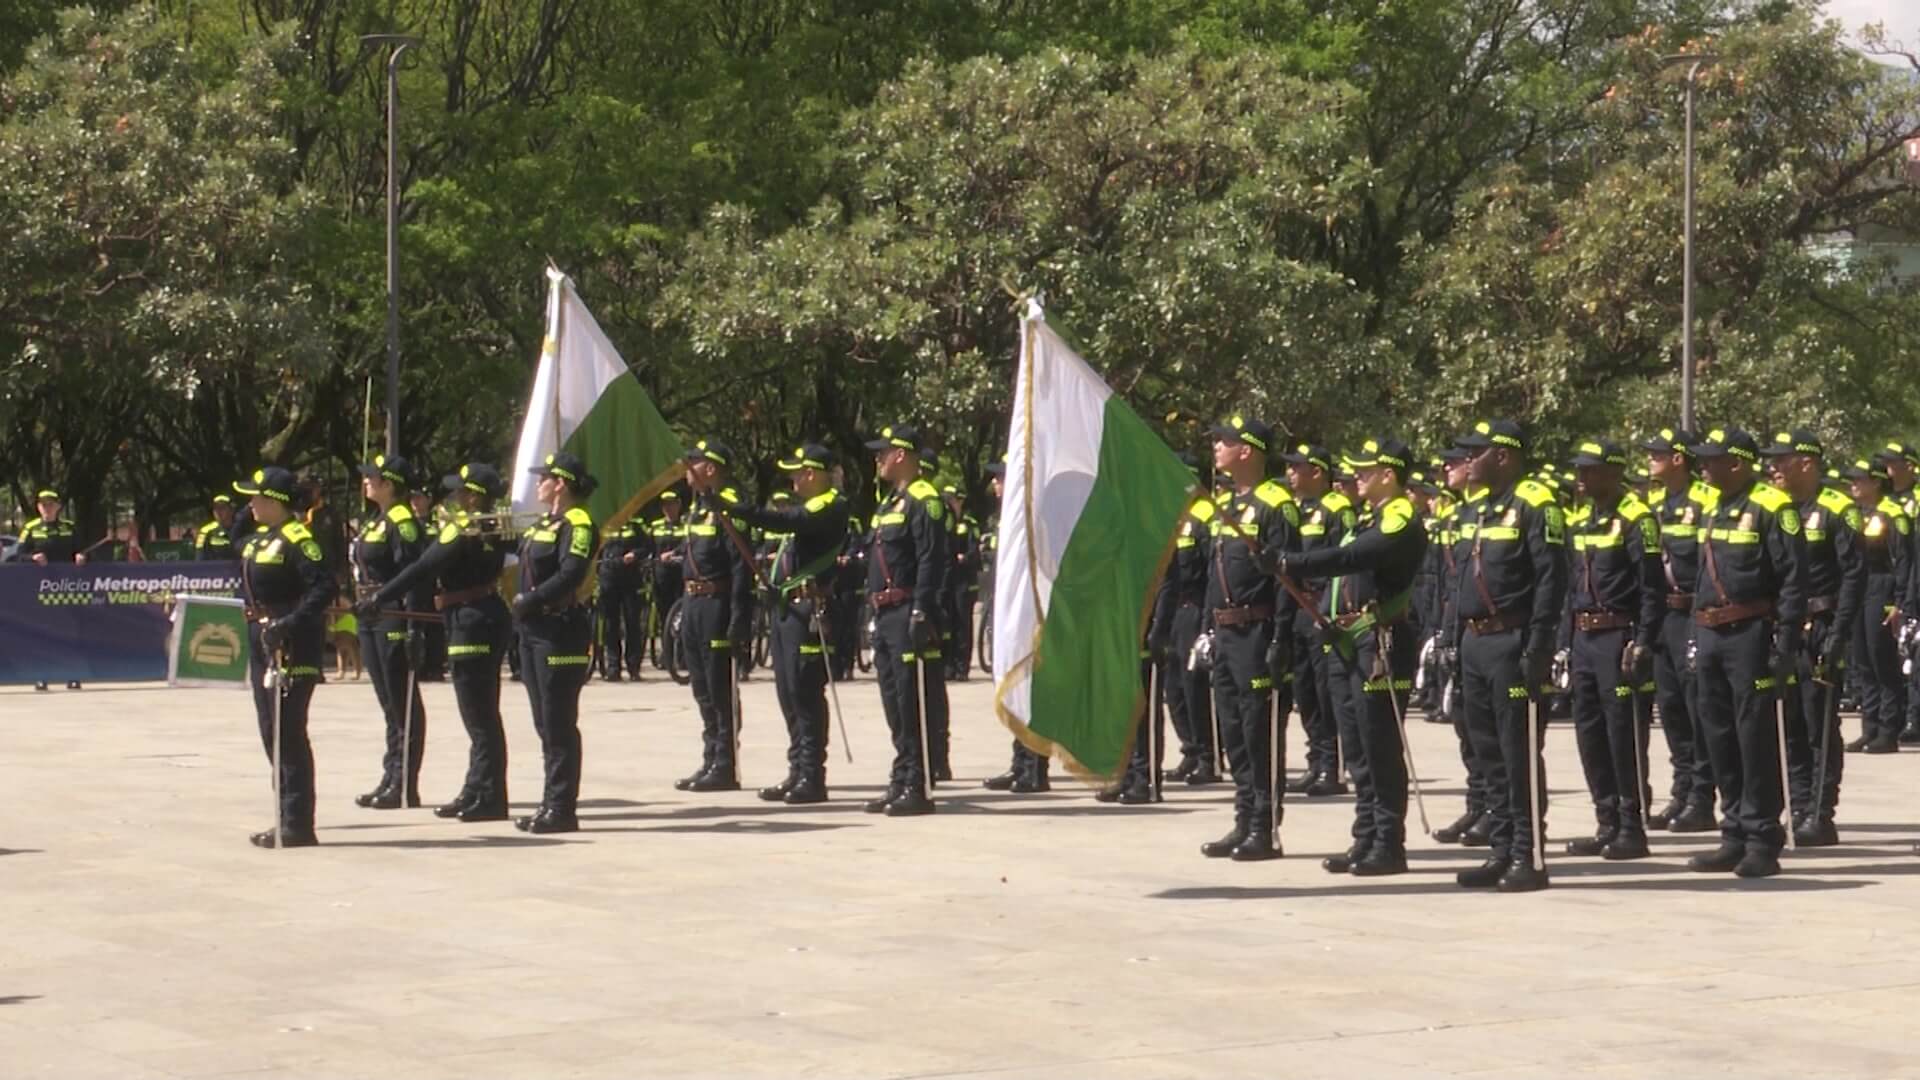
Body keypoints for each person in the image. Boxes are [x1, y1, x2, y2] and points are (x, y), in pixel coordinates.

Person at [1278, 438, 1428, 876]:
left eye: (1366, 469)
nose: (1356, 476)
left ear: (1389, 474)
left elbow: (1353, 557)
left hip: (1380, 642)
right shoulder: (1368, 517)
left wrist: (1293, 562)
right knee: (1358, 748)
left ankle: (1388, 842)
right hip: (1347, 641)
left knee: (1379, 744)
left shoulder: (1399, 518)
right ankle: (1365, 837)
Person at [1444, 419, 1566, 893]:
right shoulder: (1484, 509)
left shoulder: (1536, 503)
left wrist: (1539, 647)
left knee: (1518, 753)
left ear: (1504, 455)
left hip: (1513, 642)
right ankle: (1501, 848)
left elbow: (1551, 581)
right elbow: (1464, 583)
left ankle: (1527, 854)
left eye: (1477, 452)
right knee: (1486, 752)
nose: (1467, 461)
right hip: (1476, 643)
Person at [358, 464, 513, 822]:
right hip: (477, 614)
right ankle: (477, 788)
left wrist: (381, 597)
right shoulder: (492, 527)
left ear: (472, 495)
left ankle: (488, 794)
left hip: (470, 619)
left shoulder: (462, 528)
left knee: (478, 714)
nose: (453, 496)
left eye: (459, 490)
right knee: (481, 713)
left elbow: (421, 569)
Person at [1686, 428, 1805, 879]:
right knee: (1718, 736)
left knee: (1754, 738)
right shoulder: (1715, 507)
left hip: (1751, 634)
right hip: (1712, 634)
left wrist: (1786, 643)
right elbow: (1703, 576)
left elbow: (1793, 581)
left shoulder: (1774, 507)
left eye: (1712, 460)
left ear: (1737, 464)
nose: (1704, 466)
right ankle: (1732, 831)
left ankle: (1761, 839)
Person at [1195, 414, 1300, 863]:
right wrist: (1206, 628)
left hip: (1258, 631)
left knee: (1260, 731)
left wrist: (1281, 637)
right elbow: (1212, 576)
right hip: (1225, 631)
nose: (1216, 446)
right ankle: (1243, 818)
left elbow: (1287, 578)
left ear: (1248, 450)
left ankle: (1264, 826)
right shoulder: (1228, 505)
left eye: (1225, 441)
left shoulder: (1276, 504)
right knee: (1233, 731)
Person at [723, 443, 853, 804]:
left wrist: (736, 510)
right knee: (788, 692)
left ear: (813, 473)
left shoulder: (830, 504)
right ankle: (797, 768)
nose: (794, 479)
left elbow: (787, 521)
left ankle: (813, 774)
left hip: (811, 610)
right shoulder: (809, 506)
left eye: (798, 472)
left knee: (805, 691)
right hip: (788, 610)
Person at [1560, 440, 1662, 862]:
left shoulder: (1638, 519)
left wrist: (1644, 643)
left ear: (1614, 472)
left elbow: (1652, 590)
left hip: (1619, 636)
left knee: (1623, 734)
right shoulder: (1582, 519)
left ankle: (1631, 825)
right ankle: (1605, 820)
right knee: (1589, 732)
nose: (1582, 478)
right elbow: (1571, 586)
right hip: (1584, 638)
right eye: (1580, 470)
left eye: (1591, 470)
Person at [1760, 430, 1862, 848]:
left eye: (1781, 460)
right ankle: (1798, 804)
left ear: (1806, 462)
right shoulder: (1777, 508)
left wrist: (1839, 633)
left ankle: (1820, 812)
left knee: (1819, 721)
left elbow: (1855, 575)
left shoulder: (1839, 509)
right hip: (1785, 627)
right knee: (1790, 723)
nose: (1773, 468)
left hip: (1822, 624)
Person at [235, 467, 334, 848]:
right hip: (264, 641)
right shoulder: (264, 539)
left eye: (258, 498)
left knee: (288, 731)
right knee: (270, 729)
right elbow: (234, 538)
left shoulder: (298, 538)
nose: (250, 504)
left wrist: (290, 623)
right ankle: (283, 815)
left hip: (293, 644)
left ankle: (298, 822)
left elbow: (324, 586)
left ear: (276, 502)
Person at [511, 452, 600, 833]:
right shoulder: (545, 523)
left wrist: (532, 600)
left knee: (559, 720)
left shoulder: (578, 524)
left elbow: (571, 573)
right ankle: (549, 801)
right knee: (543, 721)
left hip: (560, 630)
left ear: (560, 483)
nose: (538, 483)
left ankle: (562, 808)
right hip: (534, 631)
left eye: (544, 477)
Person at [862, 424, 947, 816]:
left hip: (907, 609)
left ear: (902, 454)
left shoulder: (924, 499)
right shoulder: (888, 502)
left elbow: (931, 560)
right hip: (885, 612)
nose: (878, 459)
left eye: (884, 452)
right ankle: (902, 775)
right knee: (893, 700)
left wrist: (921, 611)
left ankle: (920, 784)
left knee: (913, 700)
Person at [1639, 429, 1718, 831]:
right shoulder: (1653, 503)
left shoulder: (1706, 500)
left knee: (1697, 705)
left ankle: (1702, 797)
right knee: (1670, 707)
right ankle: (1682, 790)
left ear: (1679, 459)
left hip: (1693, 612)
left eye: (1659, 453)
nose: (1651, 458)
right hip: (1664, 615)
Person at [348, 454, 430, 810]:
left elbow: (415, 575)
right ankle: (390, 773)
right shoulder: (376, 520)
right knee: (387, 702)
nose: (367, 481)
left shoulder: (403, 522)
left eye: (374, 477)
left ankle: (404, 782)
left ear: (390, 484)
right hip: (370, 614)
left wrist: (414, 624)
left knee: (402, 702)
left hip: (393, 614)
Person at [1279, 443, 1357, 797]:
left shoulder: (1337, 509)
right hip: (1298, 608)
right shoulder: (1295, 509)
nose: (1291, 473)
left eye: (1298, 467)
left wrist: (1332, 609)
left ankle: (1332, 766)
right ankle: (1316, 760)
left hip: (1322, 608)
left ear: (1318, 472)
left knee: (1327, 692)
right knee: (1305, 691)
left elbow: (1346, 563)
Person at [679, 439, 755, 792]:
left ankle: (726, 762)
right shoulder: (697, 508)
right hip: (694, 604)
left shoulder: (731, 506)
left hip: (717, 604)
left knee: (719, 686)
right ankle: (711, 756)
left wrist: (739, 618)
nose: (687, 468)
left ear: (710, 468)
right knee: (700, 686)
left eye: (693, 462)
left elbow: (741, 568)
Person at [1843, 458, 1909, 754]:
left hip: (1883, 588)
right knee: (1861, 661)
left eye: (1860, 480)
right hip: (1858, 587)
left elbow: (1904, 562)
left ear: (1877, 482)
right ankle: (1869, 728)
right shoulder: (1853, 513)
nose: (1853, 485)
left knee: (1881, 659)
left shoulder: (1894, 514)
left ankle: (1888, 729)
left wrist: (1900, 602)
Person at [18, 487, 85, 690]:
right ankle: (41, 676)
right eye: (43, 504)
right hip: (40, 590)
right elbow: (17, 555)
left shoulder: (69, 527)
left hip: (67, 588)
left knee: (70, 632)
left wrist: (81, 556)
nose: (47, 508)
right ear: (38, 507)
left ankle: (72, 675)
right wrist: (32, 558)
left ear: (58, 507)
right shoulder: (30, 528)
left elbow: (81, 550)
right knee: (42, 634)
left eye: (51, 504)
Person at [596, 515, 648, 681]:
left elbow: (647, 546)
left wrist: (635, 554)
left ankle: (633, 667)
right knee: (611, 625)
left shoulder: (635, 525)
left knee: (632, 623)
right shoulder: (604, 524)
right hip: (608, 579)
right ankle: (613, 667)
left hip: (630, 580)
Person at [195, 495, 238, 560]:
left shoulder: (241, 528)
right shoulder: (205, 531)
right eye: (215, 508)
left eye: (222, 508)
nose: (218, 511)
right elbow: (200, 556)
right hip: (215, 569)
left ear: (232, 510)